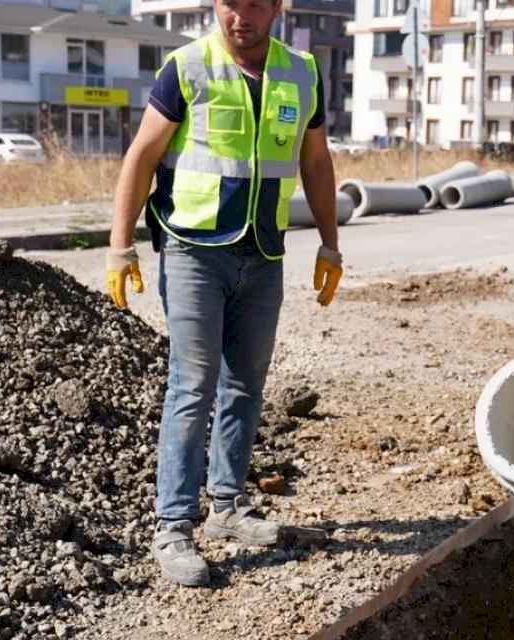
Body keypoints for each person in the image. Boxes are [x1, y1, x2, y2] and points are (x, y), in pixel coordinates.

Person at [105, 0, 342, 587]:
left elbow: (315, 160)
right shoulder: (186, 68)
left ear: (278, 7)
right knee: (194, 382)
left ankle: (229, 509)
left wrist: (330, 244)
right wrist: (119, 245)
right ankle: (174, 527)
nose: (243, 16)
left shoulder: (301, 72)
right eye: (230, 3)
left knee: (246, 383)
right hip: (194, 251)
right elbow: (142, 155)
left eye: (256, 3)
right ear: (216, 6)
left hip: (263, 253)